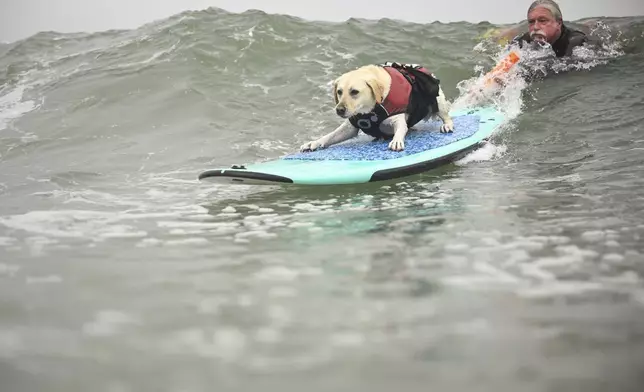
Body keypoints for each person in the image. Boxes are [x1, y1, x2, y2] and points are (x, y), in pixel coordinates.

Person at [511, 0, 589, 58]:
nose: (535, 27)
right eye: (531, 22)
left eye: (542, 21)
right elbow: (502, 70)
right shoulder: (522, 42)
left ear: (558, 23)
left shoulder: (576, 42)